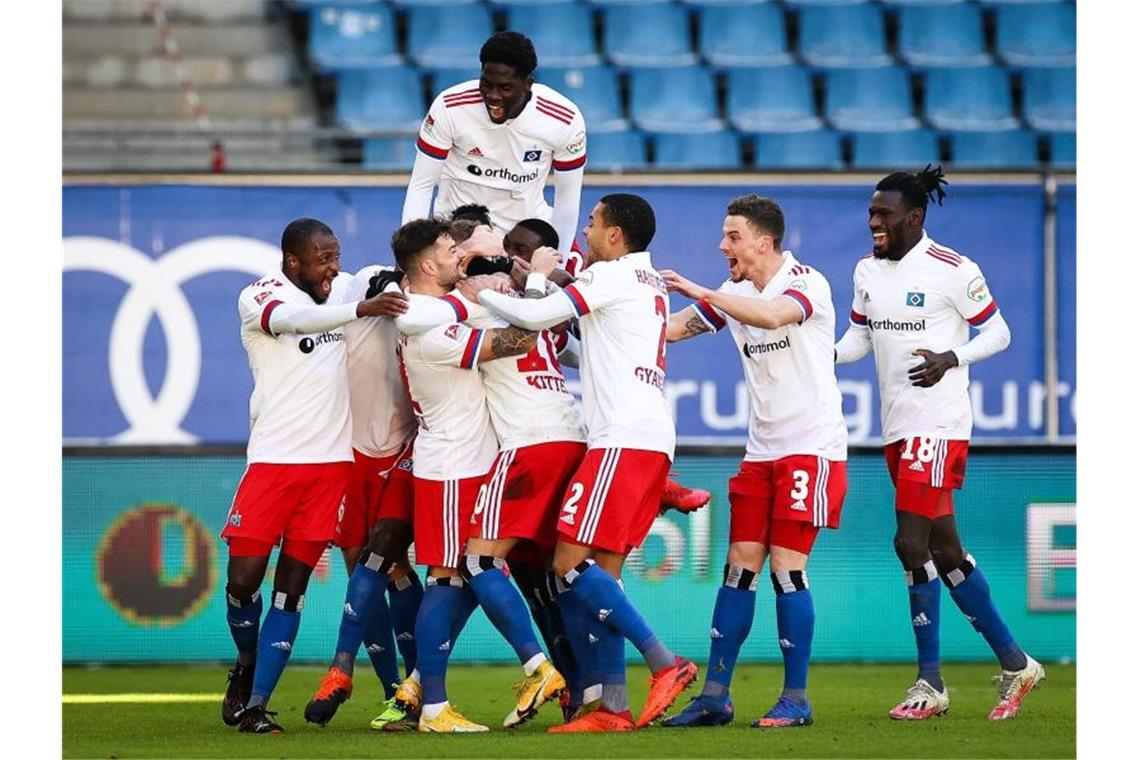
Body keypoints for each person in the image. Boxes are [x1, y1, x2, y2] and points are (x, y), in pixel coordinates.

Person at [465, 194, 698, 733]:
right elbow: (575, 344)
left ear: (615, 236)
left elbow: (532, 315)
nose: (585, 229)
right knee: (604, 578)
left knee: (567, 565)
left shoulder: (611, 276)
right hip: (646, 436)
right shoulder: (642, 282)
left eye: (593, 223)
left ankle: (665, 662)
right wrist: (540, 280)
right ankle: (612, 710)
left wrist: (488, 290)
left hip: (621, 440)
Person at [834, 166, 1043, 721]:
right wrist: (816, 356)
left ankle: (930, 683)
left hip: (940, 424)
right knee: (946, 551)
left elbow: (999, 332)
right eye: (872, 213)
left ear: (915, 217)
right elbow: (858, 339)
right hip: (898, 427)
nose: (874, 222)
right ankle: (1018, 664)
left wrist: (953, 357)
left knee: (909, 543)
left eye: (884, 214)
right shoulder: (866, 271)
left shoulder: (953, 269)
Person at [655, 195, 848, 729]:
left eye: (732, 237)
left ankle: (797, 698)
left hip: (811, 448)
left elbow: (772, 314)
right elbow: (666, 331)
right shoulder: (734, 292)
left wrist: (700, 290)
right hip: (761, 452)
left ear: (764, 243)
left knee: (787, 570)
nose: (722, 246)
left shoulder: (806, 283)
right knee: (739, 566)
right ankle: (716, 695)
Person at [220, 218, 408, 733]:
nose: (332, 267)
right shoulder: (261, 294)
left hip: (330, 468)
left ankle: (256, 703)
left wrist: (388, 283)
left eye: (335, 255)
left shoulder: (342, 291)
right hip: (273, 462)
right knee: (243, 580)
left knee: (292, 587)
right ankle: (246, 663)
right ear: (292, 261)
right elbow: (287, 322)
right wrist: (360, 308)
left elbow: (389, 274)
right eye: (321, 257)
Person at [388, 218, 563, 733]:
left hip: (476, 461)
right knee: (446, 577)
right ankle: (442, 705)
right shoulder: (429, 329)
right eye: (451, 251)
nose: (460, 258)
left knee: (465, 575)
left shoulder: (438, 313)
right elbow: (516, 342)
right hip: (449, 467)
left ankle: (420, 688)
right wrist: (525, 289)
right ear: (427, 265)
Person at [302, 263, 426, 731]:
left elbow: (386, 287)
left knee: (387, 563)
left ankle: (347, 670)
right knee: (364, 567)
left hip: (403, 452)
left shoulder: (413, 302)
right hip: (351, 455)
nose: (329, 271)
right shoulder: (334, 309)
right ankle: (394, 690)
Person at [402, 31, 585, 260]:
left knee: (574, 270)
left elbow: (567, 201)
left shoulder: (564, 119)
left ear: (528, 83)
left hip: (523, 238)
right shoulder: (450, 107)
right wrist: (409, 255)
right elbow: (422, 185)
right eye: (486, 85)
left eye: (505, 88)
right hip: (461, 235)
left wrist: (558, 263)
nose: (492, 96)